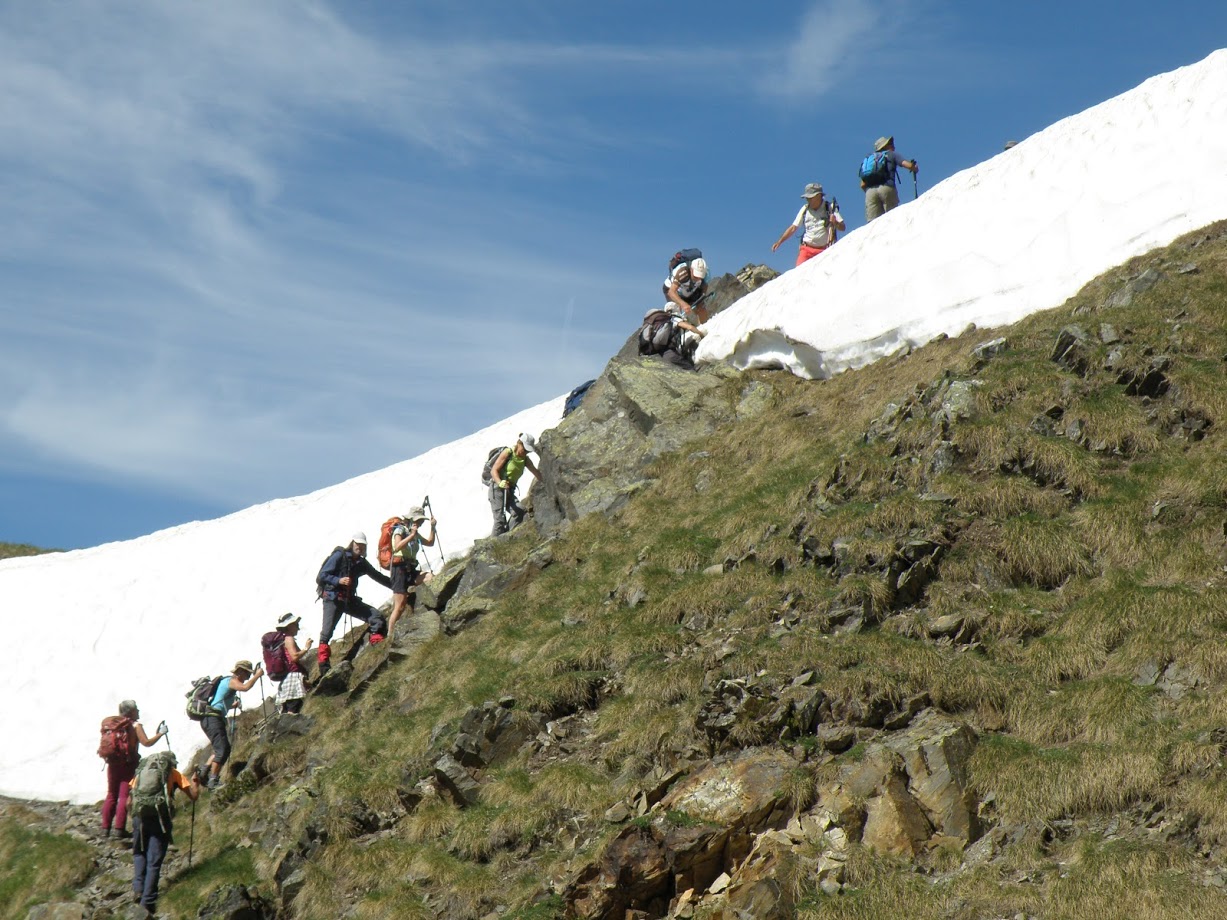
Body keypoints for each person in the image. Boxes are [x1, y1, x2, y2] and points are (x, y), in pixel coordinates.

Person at [130, 751, 199, 916]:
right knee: (154, 861)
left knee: (139, 853)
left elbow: (130, 797)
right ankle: (148, 901)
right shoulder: (174, 773)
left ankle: (138, 889)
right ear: (171, 763)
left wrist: (134, 817)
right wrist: (196, 781)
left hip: (140, 816)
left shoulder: (142, 770)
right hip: (160, 819)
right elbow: (194, 796)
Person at [316, 532, 394, 664]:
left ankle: (377, 643)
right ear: (352, 543)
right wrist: (338, 580)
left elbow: (377, 576)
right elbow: (322, 575)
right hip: (333, 598)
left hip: (347, 599)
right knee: (326, 633)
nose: (360, 547)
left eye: (363, 545)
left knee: (375, 616)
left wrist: (396, 585)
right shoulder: (339, 556)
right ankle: (323, 664)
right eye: (358, 544)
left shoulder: (361, 563)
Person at [101, 700, 167, 840]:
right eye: (136, 709)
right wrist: (160, 734)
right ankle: (119, 829)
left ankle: (105, 828)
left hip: (112, 764)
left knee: (111, 794)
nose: (138, 711)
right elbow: (146, 743)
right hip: (128, 764)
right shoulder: (135, 726)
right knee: (124, 796)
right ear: (131, 711)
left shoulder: (114, 725)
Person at [200, 659, 263, 789]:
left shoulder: (227, 682)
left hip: (210, 718)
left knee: (221, 748)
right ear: (240, 671)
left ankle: (204, 771)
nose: (248, 677)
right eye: (247, 674)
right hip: (213, 719)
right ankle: (213, 781)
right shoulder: (231, 681)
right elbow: (245, 688)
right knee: (223, 749)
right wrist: (257, 675)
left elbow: (220, 701)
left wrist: (233, 705)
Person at [387, 506, 436, 640]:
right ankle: (390, 635)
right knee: (400, 604)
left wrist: (433, 527)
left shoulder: (414, 532)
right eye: (419, 520)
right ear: (412, 519)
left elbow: (430, 543)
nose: (421, 523)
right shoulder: (400, 530)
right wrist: (412, 535)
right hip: (399, 569)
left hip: (410, 569)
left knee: (429, 577)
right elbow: (397, 546)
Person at [772, 182, 846, 266]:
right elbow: (793, 228)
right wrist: (779, 242)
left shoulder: (829, 207)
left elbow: (843, 227)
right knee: (799, 274)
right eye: (807, 198)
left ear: (818, 196)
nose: (808, 200)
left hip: (825, 251)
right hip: (806, 250)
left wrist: (835, 222)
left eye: (810, 198)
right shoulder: (805, 209)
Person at [489, 434, 542, 536]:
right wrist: (500, 482)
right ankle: (492, 547)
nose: (525, 452)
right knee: (499, 520)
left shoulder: (525, 460)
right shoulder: (508, 453)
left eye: (528, 451)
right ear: (519, 443)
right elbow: (493, 471)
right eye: (525, 449)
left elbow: (537, 473)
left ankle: (506, 538)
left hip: (509, 490)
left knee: (519, 512)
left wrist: (546, 480)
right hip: (496, 489)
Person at [861, 135, 918, 222]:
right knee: (892, 220)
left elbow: (862, 184)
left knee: (873, 225)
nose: (893, 146)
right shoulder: (891, 154)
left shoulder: (870, 160)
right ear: (885, 146)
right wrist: (914, 167)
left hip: (870, 192)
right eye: (890, 144)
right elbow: (908, 165)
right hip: (887, 189)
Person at [273, 613, 313, 714]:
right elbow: (294, 657)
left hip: (286, 679)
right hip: (293, 678)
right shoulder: (288, 638)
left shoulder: (282, 640)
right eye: (296, 625)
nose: (298, 628)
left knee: (288, 709)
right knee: (293, 709)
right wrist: (306, 647)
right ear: (289, 626)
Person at [662, 255, 710, 324]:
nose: (698, 279)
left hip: (689, 289)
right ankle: (677, 331)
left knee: (701, 309)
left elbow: (704, 287)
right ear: (691, 269)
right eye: (696, 276)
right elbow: (671, 292)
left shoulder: (707, 274)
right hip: (672, 289)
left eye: (700, 277)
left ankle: (704, 328)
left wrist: (701, 300)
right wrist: (683, 304)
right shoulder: (683, 272)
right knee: (676, 313)